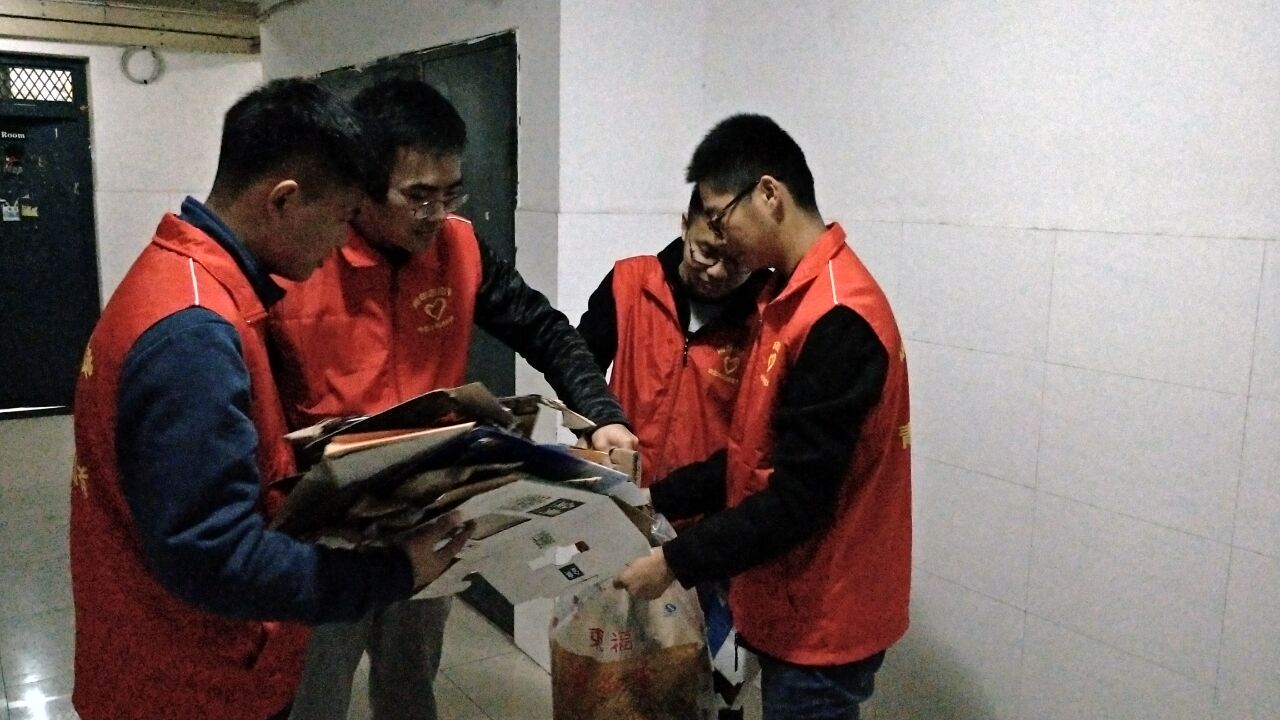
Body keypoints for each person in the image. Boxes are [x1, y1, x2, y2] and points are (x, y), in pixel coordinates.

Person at [69, 79, 471, 720]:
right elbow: (215, 556)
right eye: (340, 218)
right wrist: (395, 572)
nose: (341, 243)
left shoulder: (182, 276)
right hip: (193, 685)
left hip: (165, 656)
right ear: (283, 199)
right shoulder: (196, 332)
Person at [267, 78, 637, 720]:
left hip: (430, 510)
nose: (436, 213)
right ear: (362, 185)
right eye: (418, 196)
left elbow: (543, 328)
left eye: (450, 193)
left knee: (410, 683)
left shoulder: (459, 248)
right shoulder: (302, 255)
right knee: (313, 694)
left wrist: (601, 414)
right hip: (326, 526)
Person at [616, 114, 911, 720]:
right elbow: (751, 455)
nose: (720, 240)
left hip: (823, 617)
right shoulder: (786, 299)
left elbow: (798, 500)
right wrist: (654, 497)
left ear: (770, 195)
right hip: (786, 597)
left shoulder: (837, 318)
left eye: (721, 216)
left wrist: (673, 563)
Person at [577, 188, 768, 487]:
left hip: (707, 504)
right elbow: (578, 368)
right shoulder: (630, 282)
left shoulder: (767, 314)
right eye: (705, 252)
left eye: (736, 263)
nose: (717, 272)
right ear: (685, 226)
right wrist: (593, 427)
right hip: (619, 489)